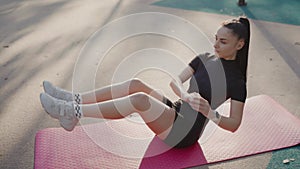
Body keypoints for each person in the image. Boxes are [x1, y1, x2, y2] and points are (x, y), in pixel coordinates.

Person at [40, 16, 250, 149]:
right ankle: (71, 99)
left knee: (140, 99)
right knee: (135, 84)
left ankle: (71, 111)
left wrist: (210, 112)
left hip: (184, 133)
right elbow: (175, 80)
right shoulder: (204, 58)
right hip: (175, 110)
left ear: (239, 44)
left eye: (223, 41)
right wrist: (184, 95)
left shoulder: (237, 82)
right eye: (215, 38)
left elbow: (234, 125)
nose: (215, 44)